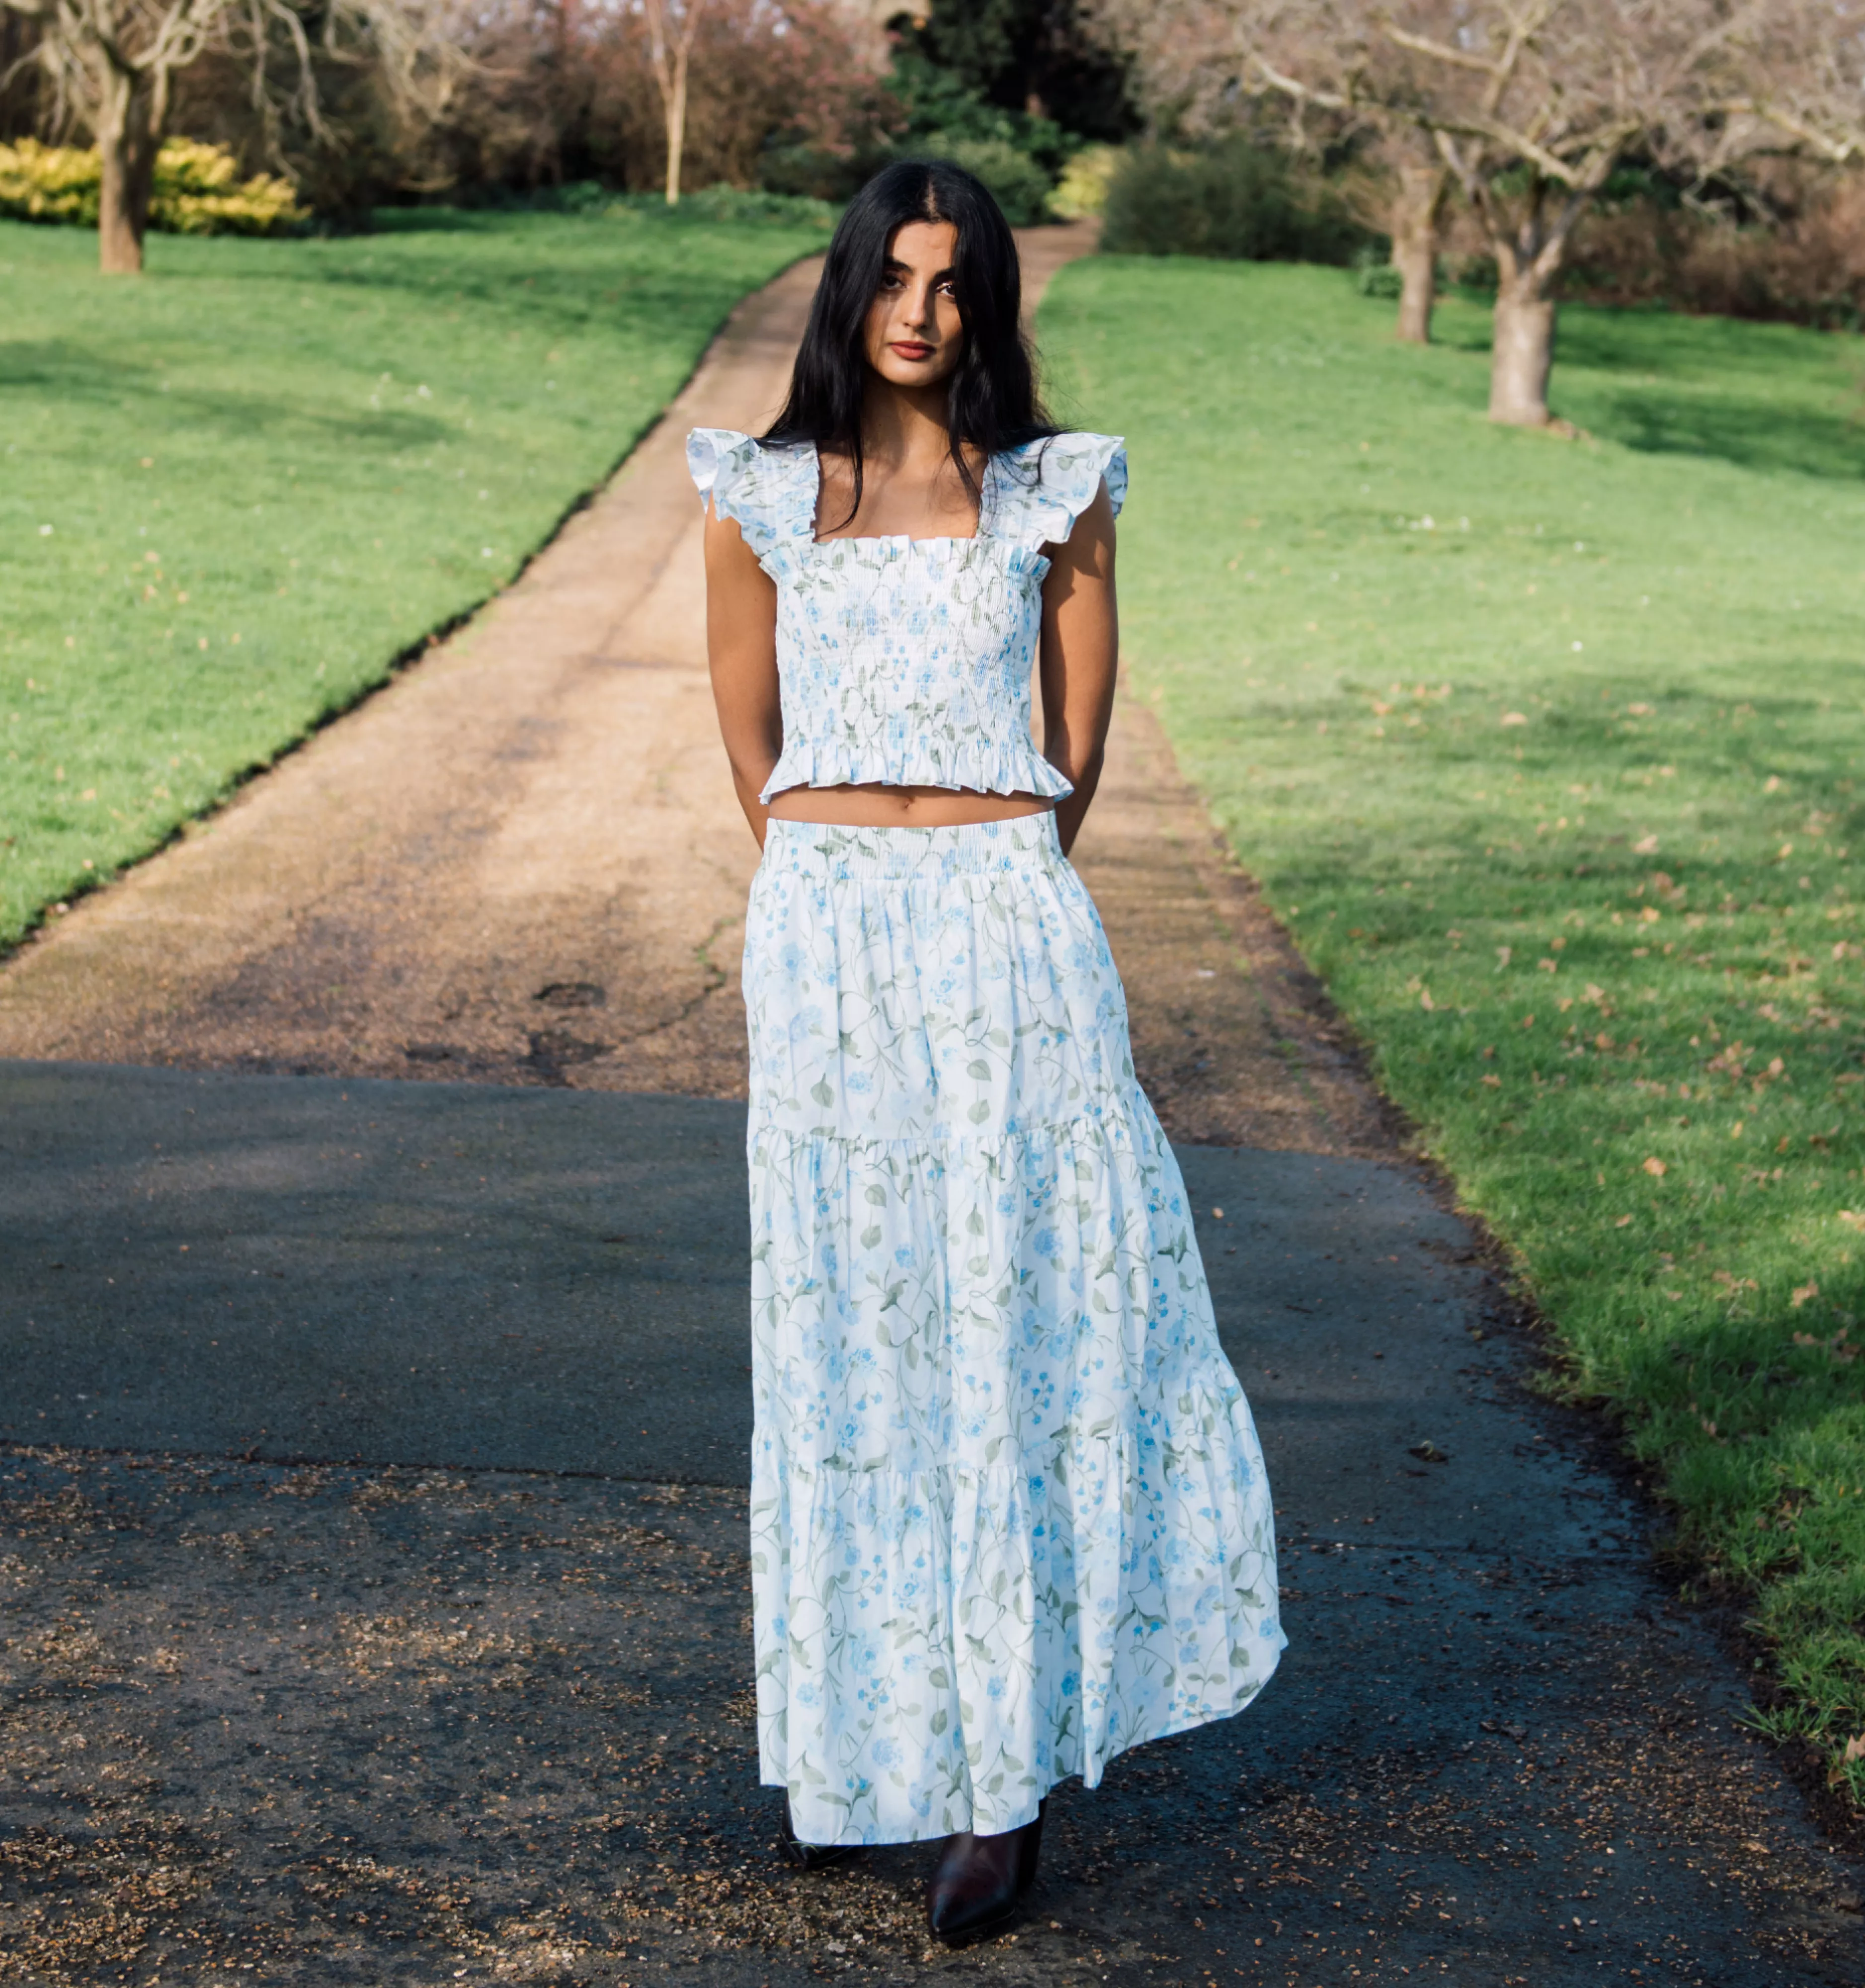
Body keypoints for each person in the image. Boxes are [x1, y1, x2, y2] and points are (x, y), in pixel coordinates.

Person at [690, 157, 1283, 1945]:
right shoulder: (765, 495)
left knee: (1018, 1327)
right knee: (848, 1342)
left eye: (953, 282)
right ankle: (852, 1748)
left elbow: (1074, 743)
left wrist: (987, 885)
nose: (920, 310)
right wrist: (828, 899)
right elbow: (751, 735)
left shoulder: (1055, 496)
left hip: (1004, 928)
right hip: (826, 942)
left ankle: (998, 1780)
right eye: (893, 273)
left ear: (990, 304)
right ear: (848, 287)